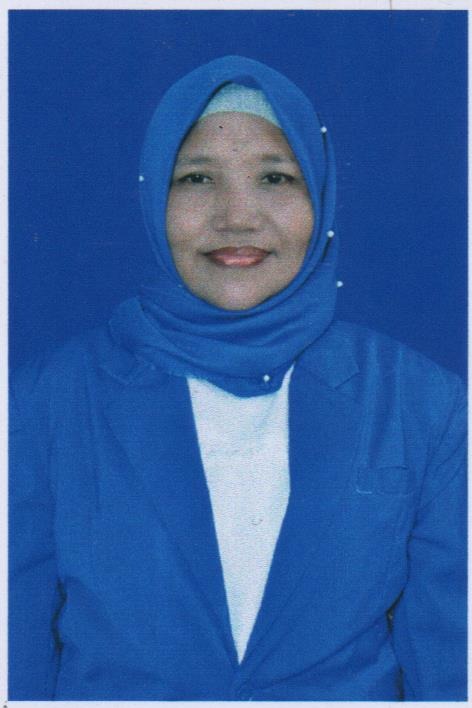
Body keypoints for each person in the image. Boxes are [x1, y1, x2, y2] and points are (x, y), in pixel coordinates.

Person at [9, 55, 466, 701]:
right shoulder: (44, 402)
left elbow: (452, 671)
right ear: (151, 194)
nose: (237, 216)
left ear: (320, 197)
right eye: (197, 177)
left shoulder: (423, 404)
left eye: (276, 177)